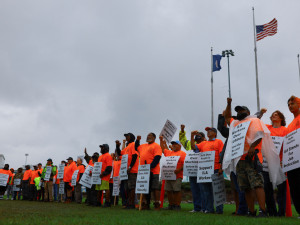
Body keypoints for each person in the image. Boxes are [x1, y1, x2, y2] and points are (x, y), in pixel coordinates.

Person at [223, 98, 267, 217]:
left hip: (251, 158)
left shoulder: (253, 120)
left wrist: (252, 147)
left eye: (242, 110)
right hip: (239, 160)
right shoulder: (235, 123)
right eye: (237, 111)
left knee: (257, 184)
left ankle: (263, 211)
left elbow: (259, 134)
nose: (239, 113)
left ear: (248, 112)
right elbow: (226, 117)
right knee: (246, 186)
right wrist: (228, 104)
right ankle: (251, 211)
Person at [218, 113, 248, 216]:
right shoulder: (230, 134)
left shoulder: (245, 128)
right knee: (235, 188)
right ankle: (237, 209)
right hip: (231, 165)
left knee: (242, 187)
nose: (231, 123)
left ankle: (244, 209)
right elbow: (221, 129)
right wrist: (221, 116)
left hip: (242, 162)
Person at [191, 127, 224, 214]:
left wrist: (221, 167)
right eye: (207, 131)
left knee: (217, 190)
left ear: (215, 134)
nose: (208, 132)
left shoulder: (219, 142)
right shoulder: (203, 143)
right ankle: (209, 209)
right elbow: (193, 148)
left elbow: (222, 155)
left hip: (216, 169)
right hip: (205, 170)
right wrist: (192, 136)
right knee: (206, 191)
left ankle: (219, 210)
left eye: (211, 131)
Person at [263, 110, 288, 216]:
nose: (274, 116)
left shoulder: (285, 130)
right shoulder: (267, 128)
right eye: (272, 115)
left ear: (281, 118)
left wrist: (285, 161)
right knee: (267, 189)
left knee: (281, 189)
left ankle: (281, 212)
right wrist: (261, 113)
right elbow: (255, 122)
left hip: (280, 163)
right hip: (266, 164)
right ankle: (272, 212)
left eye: (276, 115)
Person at [179, 124, 206, 213]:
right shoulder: (191, 144)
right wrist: (182, 130)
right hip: (192, 171)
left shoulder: (206, 144)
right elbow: (182, 140)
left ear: (203, 138)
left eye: (200, 136)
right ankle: (197, 208)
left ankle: (203, 208)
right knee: (195, 190)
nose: (197, 137)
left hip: (202, 171)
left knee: (203, 190)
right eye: (196, 136)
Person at [136, 133, 162, 210]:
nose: (148, 136)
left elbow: (157, 157)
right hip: (144, 171)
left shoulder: (156, 146)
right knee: (144, 187)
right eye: (147, 135)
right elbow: (136, 147)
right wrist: (137, 140)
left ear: (154, 137)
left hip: (153, 171)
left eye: (150, 135)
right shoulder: (143, 146)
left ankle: (157, 203)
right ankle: (145, 203)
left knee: (155, 188)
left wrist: (150, 166)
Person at [160, 137, 186, 210]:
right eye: (173, 144)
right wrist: (161, 140)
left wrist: (179, 170)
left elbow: (185, 164)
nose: (174, 145)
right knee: (168, 190)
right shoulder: (169, 152)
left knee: (176, 190)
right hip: (168, 175)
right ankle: (171, 205)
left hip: (177, 176)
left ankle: (177, 205)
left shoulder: (182, 153)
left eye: (175, 144)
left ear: (180, 145)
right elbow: (162, 149)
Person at [115, 133, 139, 209]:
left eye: (127, 136)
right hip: (126, 171)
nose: (126, 137)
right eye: (125, 136)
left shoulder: (133, 144)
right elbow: (119, 153)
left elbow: (135, 156)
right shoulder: (127, 146)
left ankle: (132, 204)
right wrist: (117, 146)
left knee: (132, 187)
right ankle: (129, 203)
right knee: (127, 188)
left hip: (132, 170)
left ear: (131, 137)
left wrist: (130, 167)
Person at [286, 95, 300, 217]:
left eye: (293, 103)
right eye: (289, 104)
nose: (290, 106)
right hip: (292, 161)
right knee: (294, 186)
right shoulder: (289, 126)